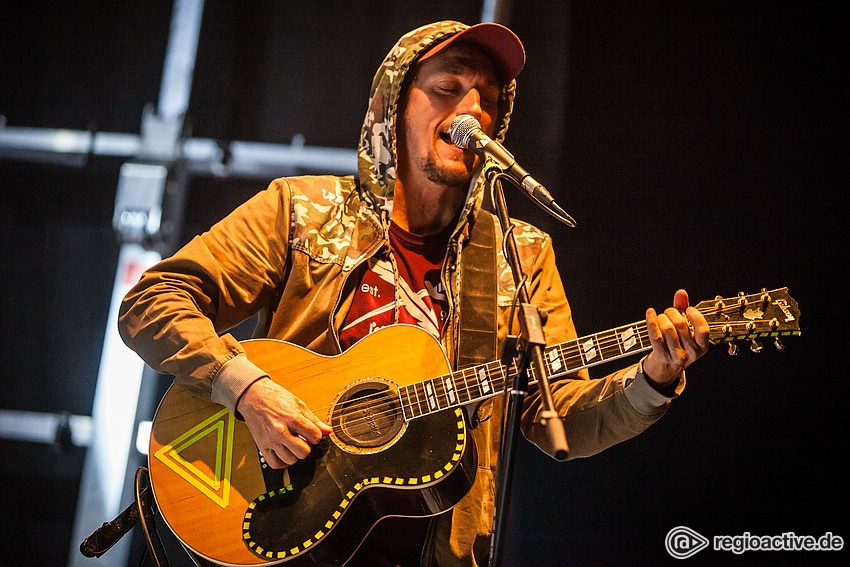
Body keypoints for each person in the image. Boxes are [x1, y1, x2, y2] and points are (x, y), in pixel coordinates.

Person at [118, 20, 709, 567]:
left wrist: (652, 380)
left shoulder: (519, 253)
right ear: (394, 105)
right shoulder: (303, 210)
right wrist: (245, 388)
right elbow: (152, 302)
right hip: (284, 530)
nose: (472, 109)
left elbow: (559, 419)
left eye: (489, 98)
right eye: (449, 88)